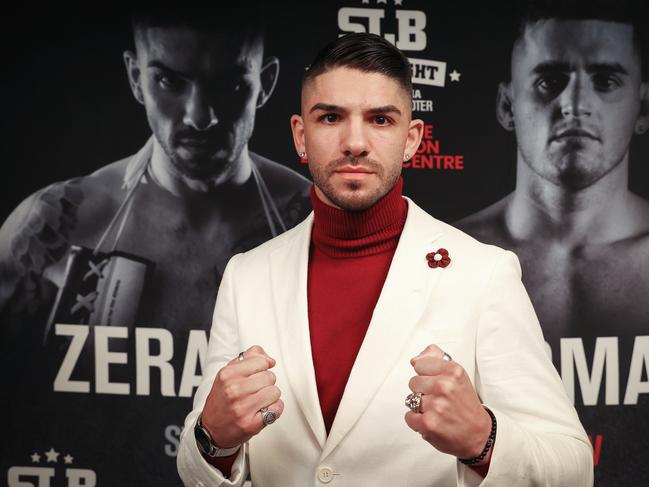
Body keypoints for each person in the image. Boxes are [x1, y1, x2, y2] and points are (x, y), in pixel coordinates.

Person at [177, 32, 592, 486]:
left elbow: (573, 467)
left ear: (412, 139)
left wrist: (484, 440)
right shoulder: (247, 276)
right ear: (301, 135)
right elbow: (195, 462)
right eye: (331, 117)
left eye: (380, 119)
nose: (355, 142)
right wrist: (212, 439)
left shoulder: (483, 274)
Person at [0, 6, 310, 485]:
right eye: (169, 81)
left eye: (229, 84)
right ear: (134, 77)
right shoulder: (56, 227)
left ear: (264, 83)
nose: (200, 116)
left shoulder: (314, 222)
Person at [456, 2, 649, 483]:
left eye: (605, 81)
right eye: (549, 80)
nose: (575, 103)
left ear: (642, 107)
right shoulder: (449, 258)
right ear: (507, 104)